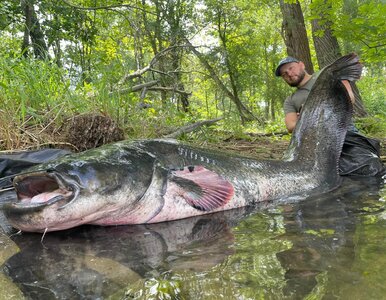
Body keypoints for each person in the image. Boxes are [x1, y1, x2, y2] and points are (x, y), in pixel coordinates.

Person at [275, 56, 384, 176]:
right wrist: (310, 116)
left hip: (345, 135)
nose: (289, 74)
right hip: (313, 146)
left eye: (291, 68)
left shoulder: (326, 76)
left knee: (371, 167)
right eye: (284, 74)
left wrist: (306, 115)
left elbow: (350, 98)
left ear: (301, 64)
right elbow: (291, 126)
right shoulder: (290, 100)